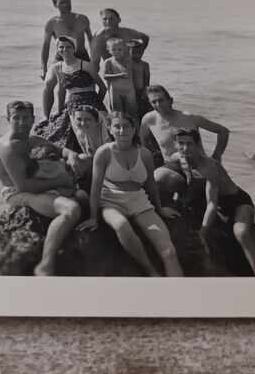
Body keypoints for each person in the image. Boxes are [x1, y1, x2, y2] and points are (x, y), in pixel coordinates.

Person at [77, 111, 184, 277]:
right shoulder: (104, 153)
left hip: (139, 202)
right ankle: (150, 270)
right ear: (110, 129)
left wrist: (160, 208)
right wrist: (93, 217)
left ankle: (180, 293)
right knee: (121, 225)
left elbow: (150, 185)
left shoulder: (145, 154)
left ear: (134, 129)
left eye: (126, 126)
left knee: (169, 252)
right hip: (111, 201)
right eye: (117, 127)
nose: (122, 131)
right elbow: (95, 187)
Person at [0, 100, 84, 276]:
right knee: (71, 209)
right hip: (19, 193)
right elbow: (24, 185)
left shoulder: (31, 139)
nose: (21, 122)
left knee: (82, 195)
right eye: (16, 118)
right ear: (7, 119)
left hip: (36, 185)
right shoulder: (8, 147)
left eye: (26, 118)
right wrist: (61, 181)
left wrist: (72, 155)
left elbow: (60, 150)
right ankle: (46, 264)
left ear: (33, 119)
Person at [174, 128, 255, 277]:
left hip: (238, 202)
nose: (185, 148)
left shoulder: (209, 166)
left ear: (198, 145)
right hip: (220, 206)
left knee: (241, 233)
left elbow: (212, 203)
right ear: (175, 144)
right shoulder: (178, 158)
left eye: (189, 144)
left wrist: (203, 233)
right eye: (181, 143)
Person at [138, 85, 231, 215]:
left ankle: (193, 197)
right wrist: (154, 159)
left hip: (198, 167)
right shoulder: (149, 119)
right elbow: (143, 142)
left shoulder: (189, 118)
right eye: (154, 102)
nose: (158, 104)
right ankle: (183, 194)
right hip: (173, 167)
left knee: (223, 197)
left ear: (170, 100)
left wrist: (216, 156)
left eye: (161, 100)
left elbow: (223, 131)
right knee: (158, 177)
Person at [35, 36, 107, 145]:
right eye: (61, 47)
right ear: (57, 50)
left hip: (92, 101)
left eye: (68, 47)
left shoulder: (86, 65)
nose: (65, 50)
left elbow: (103, 87)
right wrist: (59, 110)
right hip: (72, 104)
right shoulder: (57, 68)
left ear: (74, 49)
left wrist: (97, 103)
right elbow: (61, 92)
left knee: (100, 133)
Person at [40, 0, 93, 78]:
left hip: (81, 56)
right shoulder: (52, 23)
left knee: (88, 85)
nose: (66, 4)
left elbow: (91, 40)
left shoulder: (82, 19)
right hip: (61, 57)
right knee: (51, 84)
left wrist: (94, 61)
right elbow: (46, 45)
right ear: (55, 5)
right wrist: (44, 68)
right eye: (62, 2)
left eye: (68, 2)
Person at [60, 104, 109, 191]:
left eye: (88, 119)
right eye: (79, 119)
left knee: (83, 158)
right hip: (96, 165)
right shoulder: (81, 133)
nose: (82, 123)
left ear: (97, 121)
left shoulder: (106, 136)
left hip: (109, 166)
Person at [100, 37, 138, 118]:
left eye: (119, 49)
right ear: (109, 50)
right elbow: (105, 76)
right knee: (117, 114)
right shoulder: (108, 62)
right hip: (115, 91)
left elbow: (138, 43)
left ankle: (133, 129)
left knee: (132, 114)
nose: (117, 52)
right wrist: (119, 75)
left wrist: (131, 45)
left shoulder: (129, 60)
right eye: (114, 49)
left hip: (129, 91)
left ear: (124, 49)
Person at [128, 39, 152, 117]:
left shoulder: (145, 65)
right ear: (128, 52)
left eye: (140, 52)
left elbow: (147, 80)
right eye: (134, 52)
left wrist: (145, 92)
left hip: (141, 92)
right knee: (132, 113)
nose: (137, 55)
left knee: (144, 111)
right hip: (129, 92)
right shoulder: (127, 64)